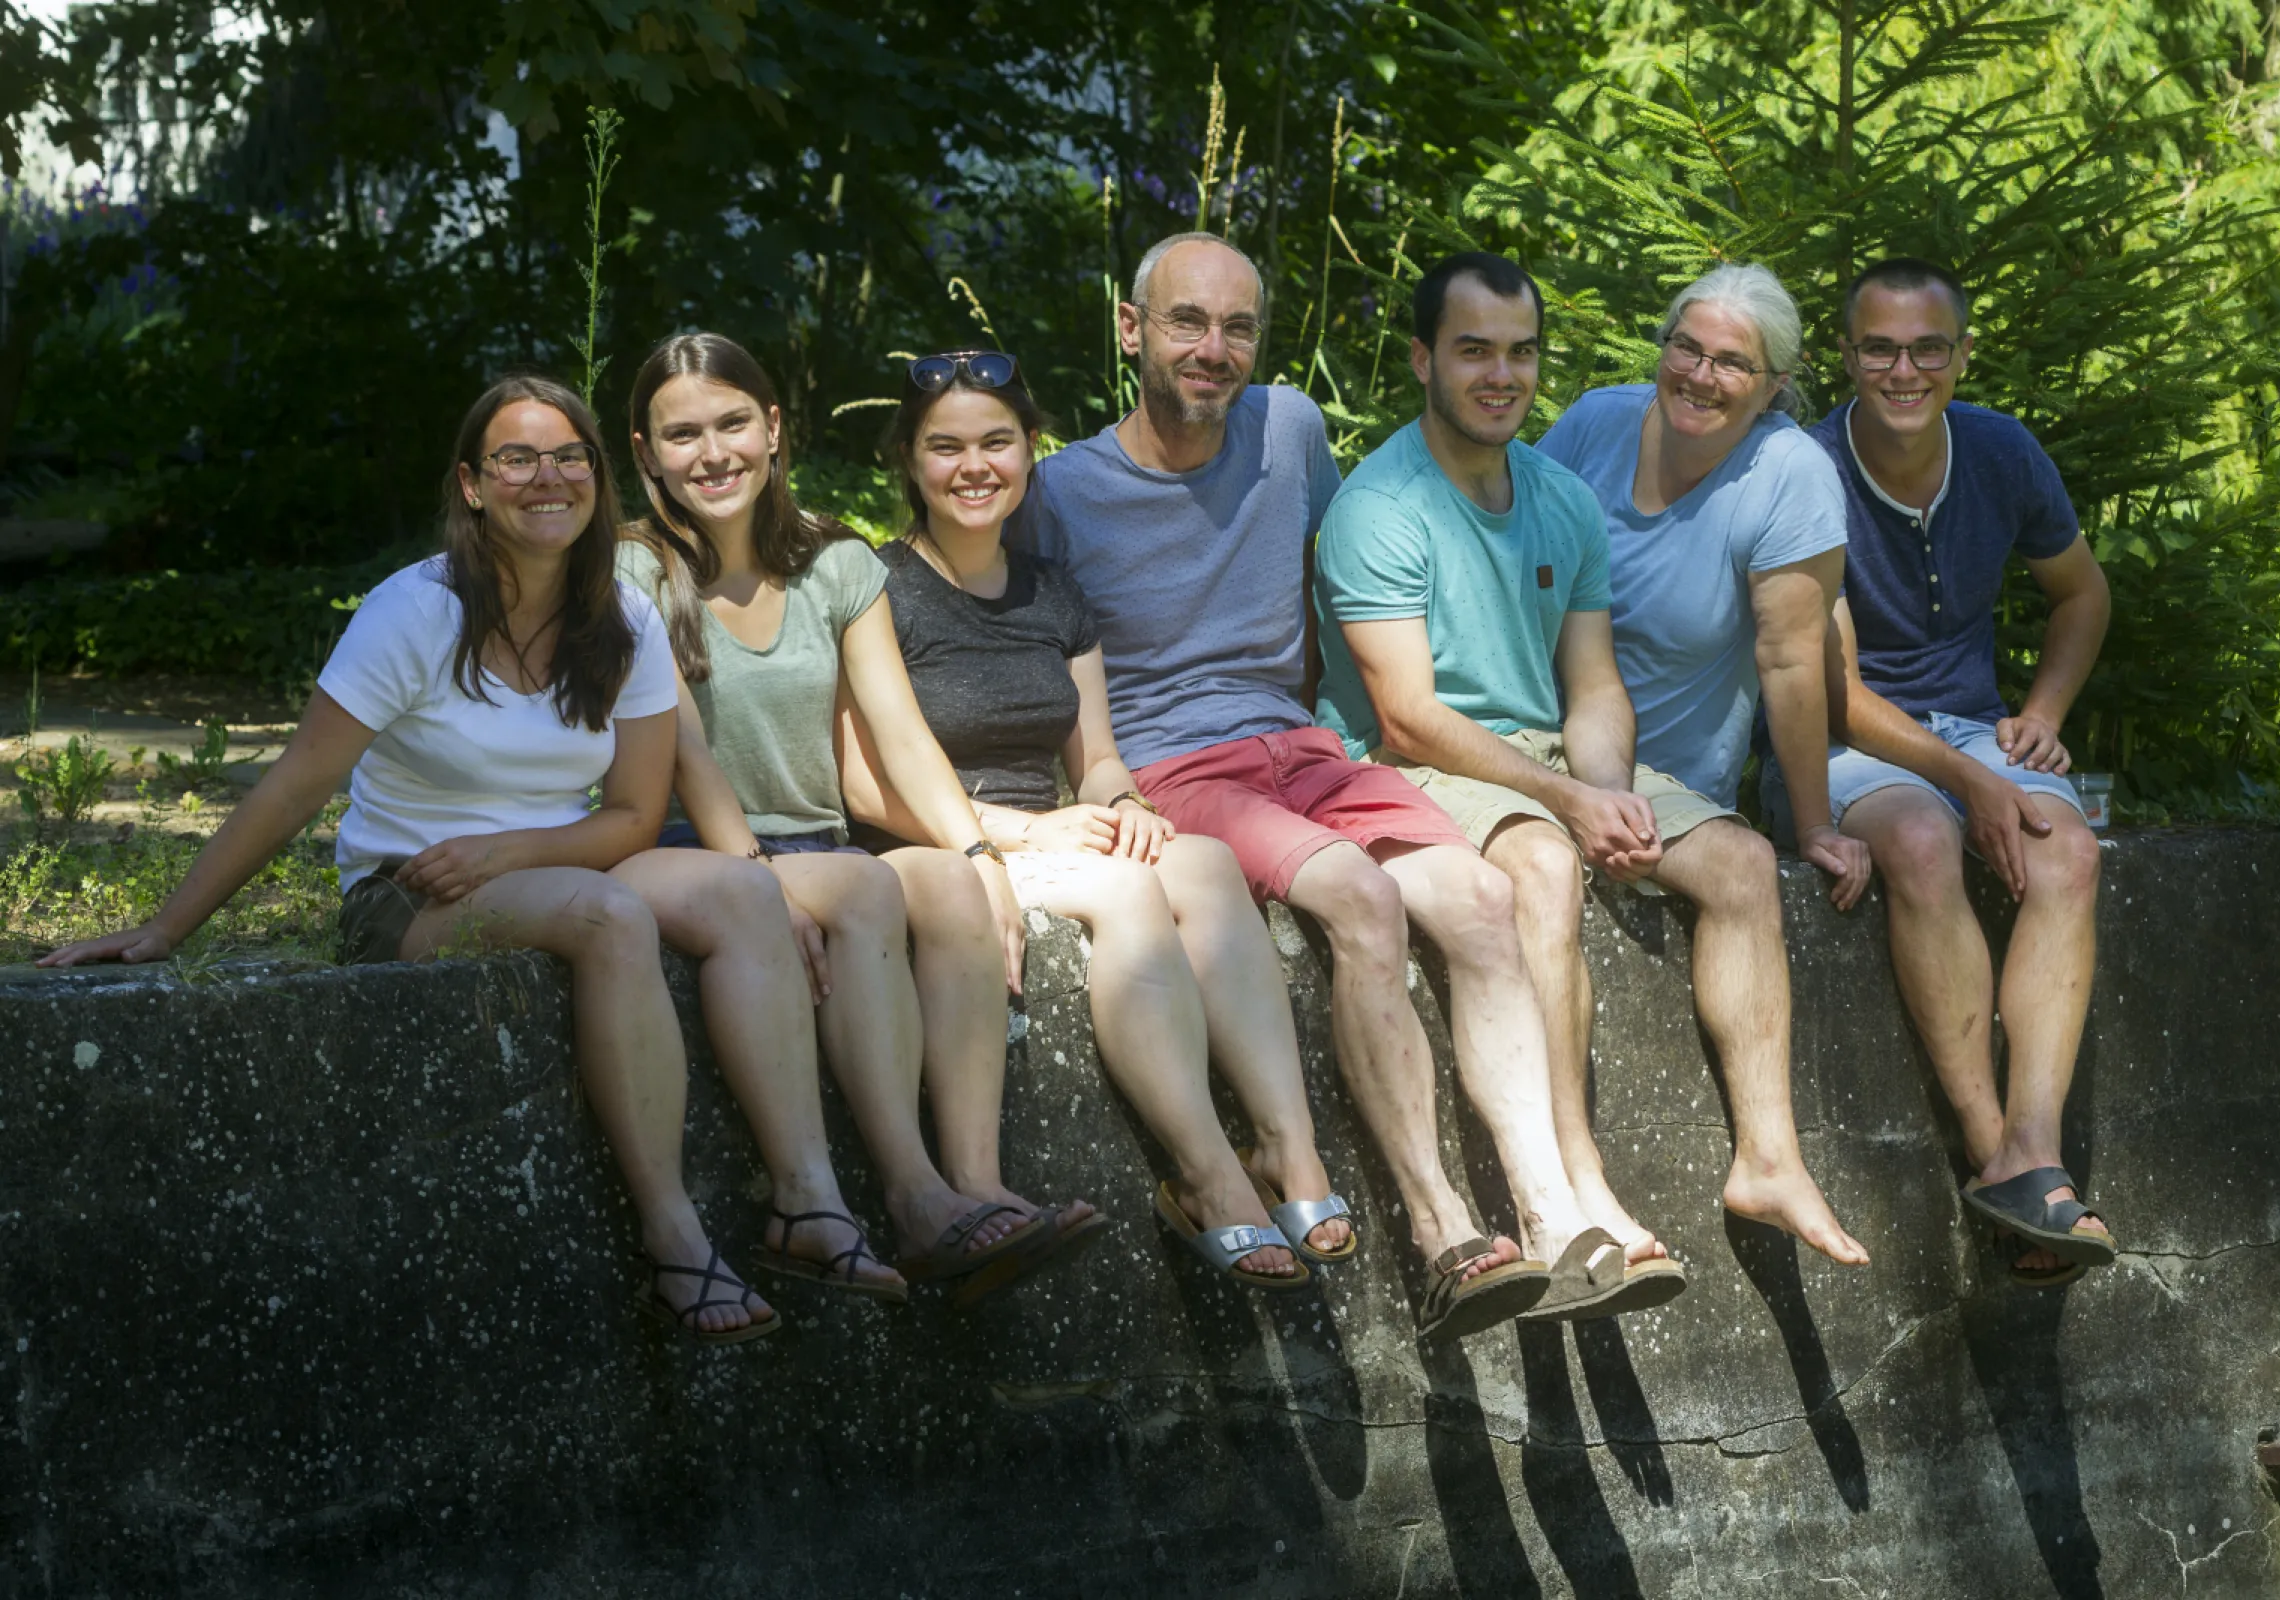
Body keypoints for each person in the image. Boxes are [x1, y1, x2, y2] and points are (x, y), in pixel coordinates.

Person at [40, 375, 899, 1341]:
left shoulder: (623, 617)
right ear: (473, 483)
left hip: (556, 860)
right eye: (518, 458)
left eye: (570, 456)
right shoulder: (414, 611)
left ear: (598, 474)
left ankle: (806, 1201)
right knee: (608, 915)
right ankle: (674, 1238)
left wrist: (510, 849)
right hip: (408, 889)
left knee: (743, 891)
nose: (549, 477)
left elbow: (629, 815)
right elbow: (294, 786)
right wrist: (165, 927)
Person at [1013, 230, 1580, 1342]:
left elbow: (1338, 585)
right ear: (1131, 331)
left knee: (1477, 899)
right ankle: (1439, 1228)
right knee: (1361, 901)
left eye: (1236, 327)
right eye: (1185, 322)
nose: (1212, 349)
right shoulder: (1059, 493)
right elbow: (1027, 655)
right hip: (1178, 771)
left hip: (1304, 748)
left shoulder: (1290, 428)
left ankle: (1551, 1214)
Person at [837, 348, 1354, 1288]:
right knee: (1126, 894)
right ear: (908, 461)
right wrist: (1021, 832)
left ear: (1030, 452)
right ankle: (1207, 1177)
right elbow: (864, 788)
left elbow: (1097, 755)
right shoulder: (874, 587)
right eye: (944, 447)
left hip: (1053, 835)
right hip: (939, 847)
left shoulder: (1052, 591)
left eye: (996, 443)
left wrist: (1122, 803)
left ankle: (1291, 1150)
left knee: (1200, 863)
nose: (973, 467)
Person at [618, 332, 1095, 1297]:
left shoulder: (835, 561)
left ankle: (978, 1185)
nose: (713, 453)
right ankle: (912, 1199)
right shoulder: (633, 570)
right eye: (682, 435)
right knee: (862, 880)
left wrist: (976, 848)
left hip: (817, 844)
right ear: (643, 453)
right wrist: (751, 873)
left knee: (948, 882)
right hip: (684, 846)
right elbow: (682, 748)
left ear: (775, 428)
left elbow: (900, 729)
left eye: (733, 423)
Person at [1312, 252, 1691, 1321]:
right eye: (1473, 348)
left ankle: (1762, 1168)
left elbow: (1593, 682)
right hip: (1411, 762)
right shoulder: (1378, 504)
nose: (1500, 373)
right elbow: (1404, 716)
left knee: (1744, 862)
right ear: (1423, 358)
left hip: (1538, 752)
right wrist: (1569, 806)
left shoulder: (1562, 498)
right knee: (1536, 860)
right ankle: (1567, 1190)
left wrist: (1608, 790)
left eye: (1520, 351)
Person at [1535, 261, 1873, 1267]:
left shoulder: (1788, 476)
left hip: (1661, 777)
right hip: (1518, 733)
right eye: (1685, 346)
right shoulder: (1595, 421)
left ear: (1774, 381)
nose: (1699, 373)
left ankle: (1767, 1158)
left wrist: (1808, 820)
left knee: (1736, 869)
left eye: (1732, 362)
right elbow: (1501, 537)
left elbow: (1789, 659)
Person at [1784, 256, 2113, 1286]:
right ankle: (1994, 1156)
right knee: (1922, 841)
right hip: (1838, 739)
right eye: (1878, 347)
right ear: (1846, 356)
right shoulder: (1805, 469)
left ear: (1961, 356)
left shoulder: (2000, 451)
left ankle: (2034, 1148)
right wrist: (1969, 785)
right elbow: (1828, 689)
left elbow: (2081, 595)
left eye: (1927, 348)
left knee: (2066, 856)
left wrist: (2041, 716)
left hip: (1973, 725)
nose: (1902, 369)